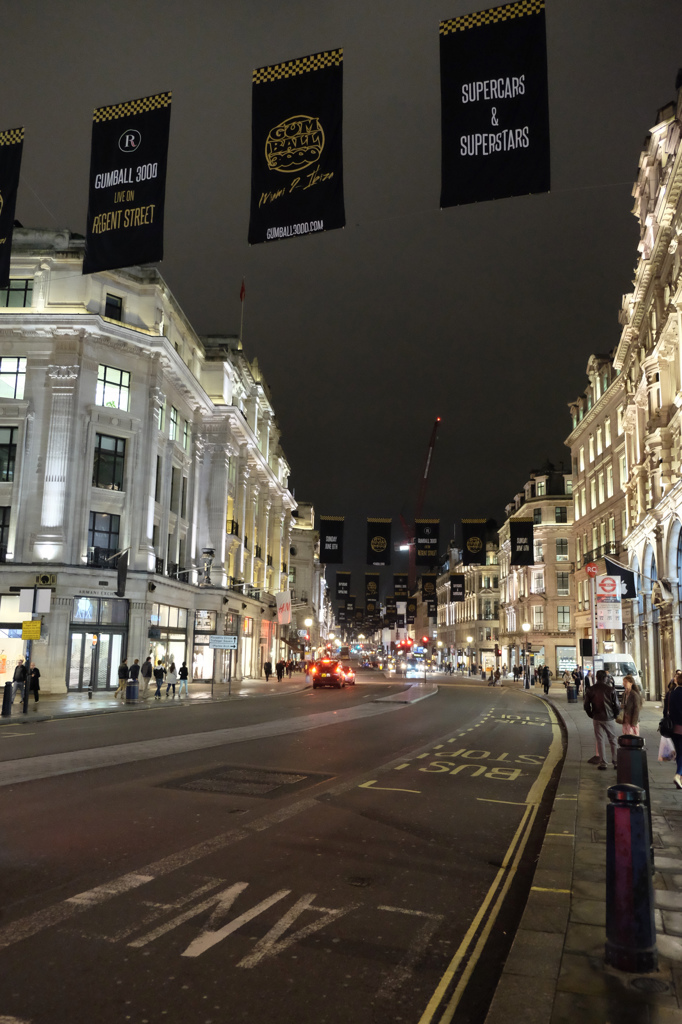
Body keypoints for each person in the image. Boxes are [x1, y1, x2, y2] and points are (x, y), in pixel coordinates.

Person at [584, 669, 620, 769]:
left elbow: (586, 705)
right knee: (613, 739)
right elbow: (617, 705)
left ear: (596, 677)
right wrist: (615, 715)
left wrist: (591, 715)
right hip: (609, 718)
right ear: (605, 678)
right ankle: (616, 762)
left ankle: (603, 763)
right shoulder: (611, 689)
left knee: (600, 740)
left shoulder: (591, 689)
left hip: (597, 717)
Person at [664, 675, 682, 788]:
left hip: (674, 728)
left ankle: (680, 780)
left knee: (680, 753)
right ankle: (678, 774)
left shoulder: (672, 693)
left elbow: (666, 710)